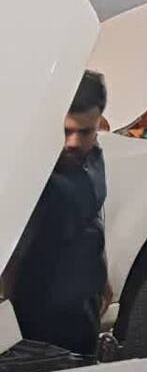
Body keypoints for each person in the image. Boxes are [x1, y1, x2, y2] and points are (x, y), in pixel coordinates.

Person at [5, 71, 111, 355]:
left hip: (84, 306)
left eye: (84, 132)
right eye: (66, 131)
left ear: (99, 124)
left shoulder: (94, 157)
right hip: (39, 319)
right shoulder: (31, 175)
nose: (73, 142)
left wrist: (103, 277)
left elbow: (93, 218)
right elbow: (12, 256)